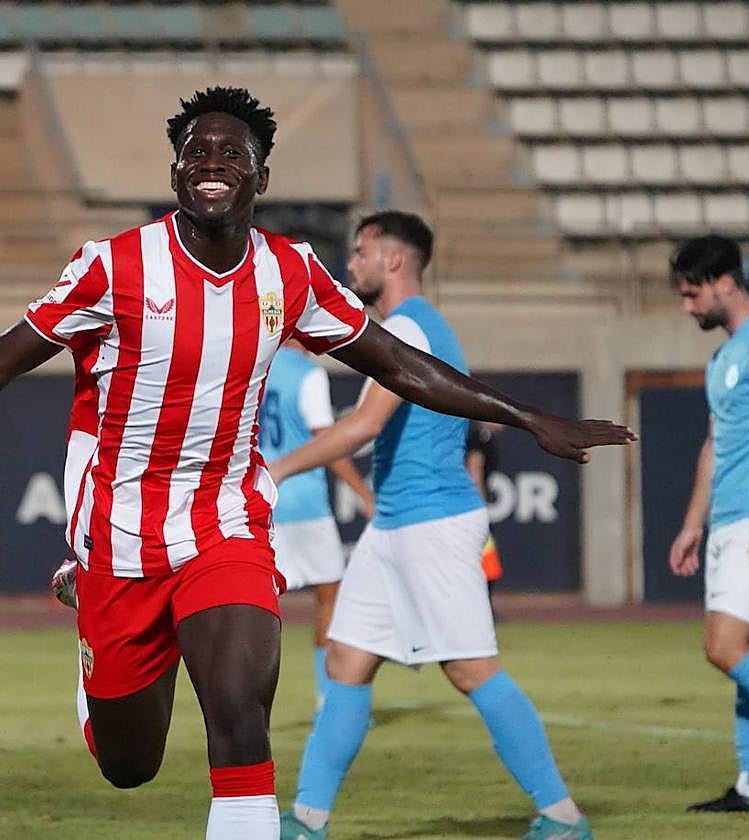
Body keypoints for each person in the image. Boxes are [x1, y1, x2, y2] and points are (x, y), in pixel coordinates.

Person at [0, 88, 633, 839]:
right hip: (122, 533)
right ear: (176, 172)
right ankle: (97, 679)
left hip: (227, 520)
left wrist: (524, 416)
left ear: (261, 176)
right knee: (131, 766)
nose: (211, 162)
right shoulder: (113, 266)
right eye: (195, 151)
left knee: (241, 708)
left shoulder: (290, 274)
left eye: (232, 152)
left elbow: (396, 363)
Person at [271, 211, 595, 840]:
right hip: (394, 524)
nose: (352, 264)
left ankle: (562, 817)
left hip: (433, 523)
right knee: (345, 658)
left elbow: (364, 426)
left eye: (361, 252)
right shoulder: (412, 327)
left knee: (471, 669)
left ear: (393, 260)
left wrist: (277, 469)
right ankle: (306, 821)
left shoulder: (411, 327)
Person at [667, 235, 749, 813]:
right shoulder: (722, 358)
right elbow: (714, 445)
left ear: (725, 282)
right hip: (729, 520)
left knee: (723, 647)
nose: (687, 307)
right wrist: (691, 524)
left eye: (691, 294)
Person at [259, 339, 374, 711]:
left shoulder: (258, 367)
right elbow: (326, 442)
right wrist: (363, 494)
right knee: (330, 602)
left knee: (255, 607)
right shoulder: (309, 375)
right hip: (305, 504)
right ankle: (329, 700)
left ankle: (247, 697)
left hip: (263, 501)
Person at [467, 421, 505, 602]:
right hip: (472, 507)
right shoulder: (482, 437)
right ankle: (482, 602)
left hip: (471, 506)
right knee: (482, 555)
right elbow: (475, 465)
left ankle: (484, 601)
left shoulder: (485, 438)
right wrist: (479, 503)